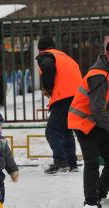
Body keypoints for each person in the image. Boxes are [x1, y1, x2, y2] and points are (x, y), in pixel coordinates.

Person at [68, 35, 109, 208]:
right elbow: (97, 109)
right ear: (107, 55)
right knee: (92, 161)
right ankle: (91, 202)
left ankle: (99, 194)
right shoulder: (99, 75)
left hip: (97, 123)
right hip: (83, 122)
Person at [36, 36, 82, 174]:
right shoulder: (64, 57)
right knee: (66, 130)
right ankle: (72, 163)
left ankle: (61, 162)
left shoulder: (45, 56)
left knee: (51, 131)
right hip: (77, 96)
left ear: (40, 50)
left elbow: (48, 67)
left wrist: (48, 88)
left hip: (64, 97)